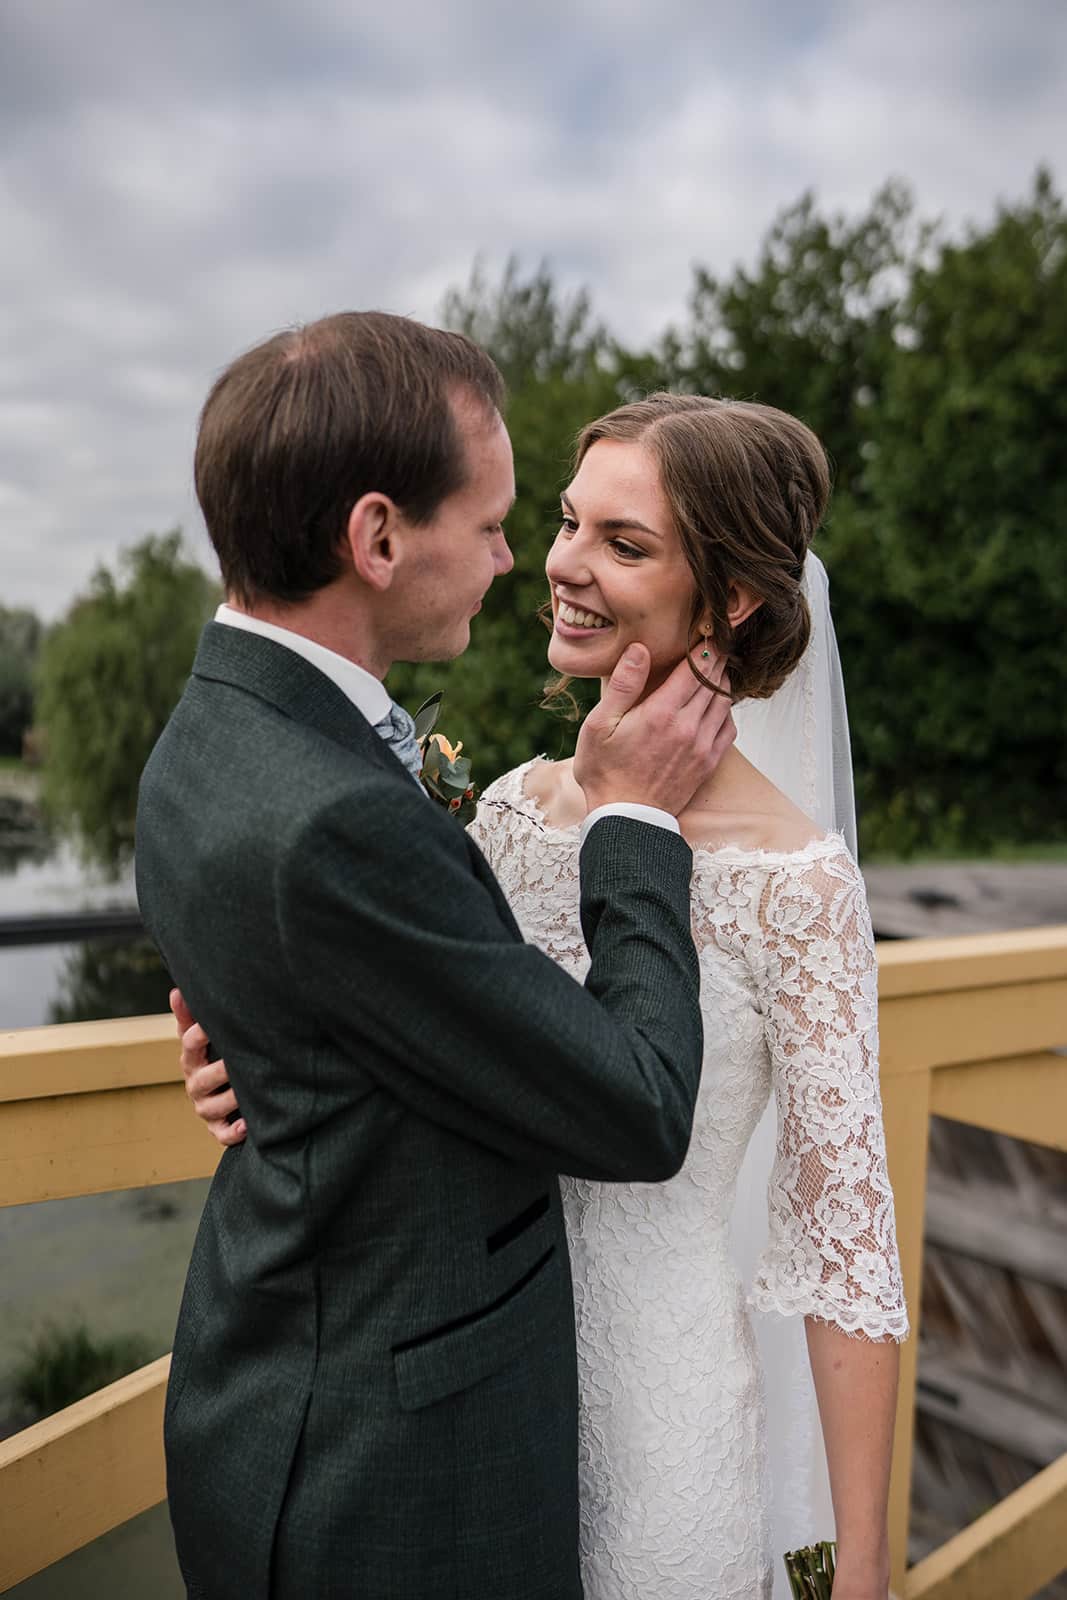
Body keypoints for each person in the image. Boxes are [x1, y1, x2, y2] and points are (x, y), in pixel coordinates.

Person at [183, 392, 908, 1599]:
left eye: (622, 544)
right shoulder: (505, 807)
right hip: (465, 1418)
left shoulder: (796, 882)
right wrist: (256, 1065)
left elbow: (846, 1261)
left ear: (729, 598)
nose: (561, 564)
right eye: (568, 522)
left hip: (660, 1437)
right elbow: (433, 1033)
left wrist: (867, 1570)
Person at [136, 316, 740, 1600]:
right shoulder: (334, 819)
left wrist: (280, 1063)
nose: (521, 559)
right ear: (375, 537)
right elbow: (634, 1104)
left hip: (262, 1377)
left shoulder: (207, 728)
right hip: (388, 1472)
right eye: (491, 523)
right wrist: (633, 819)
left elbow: (317, 977)